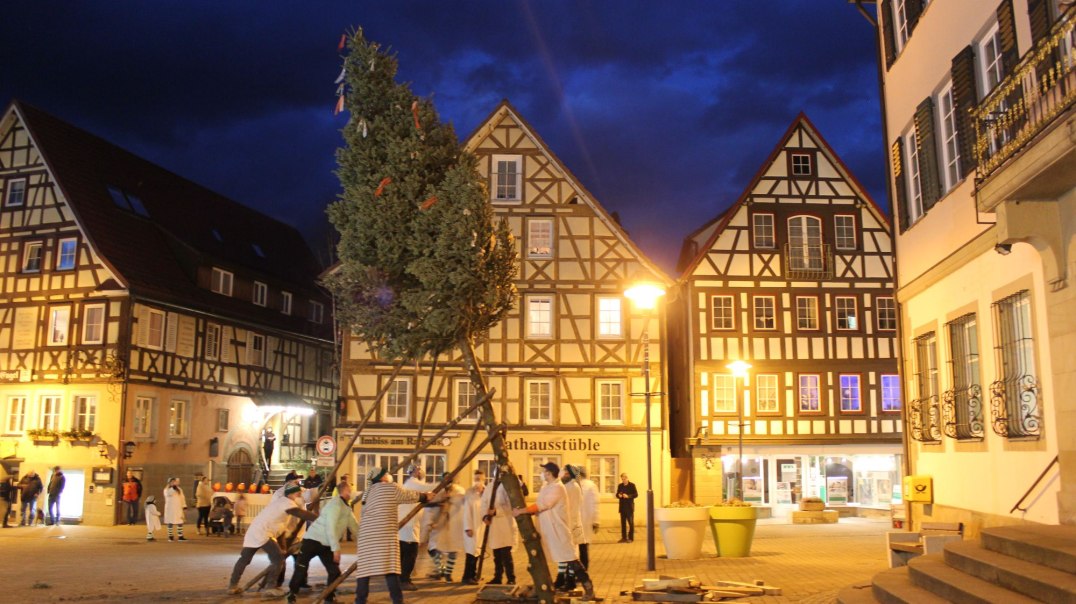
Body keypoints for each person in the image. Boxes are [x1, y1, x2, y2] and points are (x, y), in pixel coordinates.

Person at [354, 466, 441, 604]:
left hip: (366, 536)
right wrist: (426, 496)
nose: (389, 475)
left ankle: (360, 601)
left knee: (365, 571)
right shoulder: (390, 487)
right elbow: (408, 495)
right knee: (391, 568)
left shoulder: (368, 492)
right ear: (382, 477)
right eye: (386, 473)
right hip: (384, 534)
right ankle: (397, 600)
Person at [513, 462, 594, 600]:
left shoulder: (557, 487)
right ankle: (543, 587)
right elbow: (540, 505)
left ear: (549, 473)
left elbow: (543, 505)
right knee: (545, 559)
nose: (543, 474)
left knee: (570, 559)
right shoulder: (547, 487)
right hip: (548, 531)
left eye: (544, 471)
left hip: (558, 531)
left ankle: (589, 588)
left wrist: (522, 511)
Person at [228, 484, 317, 596]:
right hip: (263, 533)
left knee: (244, 559)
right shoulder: (286, 502)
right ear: (290, 494)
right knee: (278, 559)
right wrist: (318, 518)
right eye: (297, 493)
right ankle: (271, 587)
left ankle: (232, 585)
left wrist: (283, 547)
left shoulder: (280, 504)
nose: (299, 495)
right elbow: (300, 513)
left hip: (254, 532)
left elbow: (281, 531)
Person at [285, 480, 360, 604]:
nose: (351, 493)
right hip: (313, 541)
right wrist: (336, 549)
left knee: (334, 572)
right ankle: (291, 594)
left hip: (326, 544)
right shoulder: (335, 504)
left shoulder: (346, 507)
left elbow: (354, 527)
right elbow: (330, 527)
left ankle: (329, 597)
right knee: (301, 569)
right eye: (350, 490)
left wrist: (365, 541)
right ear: (345, 490)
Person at [397, 464, 431, 590]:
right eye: (419, 470)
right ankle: (404, 580)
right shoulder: (413, 483)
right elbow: (428, 488)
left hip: (406, 527)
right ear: (414, 472)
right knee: (410, 555)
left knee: (404, 555)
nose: (421, 472)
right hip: (407, 527)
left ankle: (401, 579)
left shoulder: (409, 485)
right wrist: (443, 483)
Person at [482, 473, 518, 585]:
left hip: (504, 524)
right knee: (496, 554)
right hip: (494, 525)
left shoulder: (507, 486)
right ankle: (497, 577)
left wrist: (497, 512)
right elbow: (484, 503)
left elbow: (511, 505)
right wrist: (484, 516)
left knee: (506, 554)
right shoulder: (489, 486)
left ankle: (511, 578)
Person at [429, 475, 464, 582]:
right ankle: (441, 571)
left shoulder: (459, 491)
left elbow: (462, 501)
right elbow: (432, 504)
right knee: (434, 548)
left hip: (454, 523)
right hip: (440, 523)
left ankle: (448, 573)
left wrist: (451, 499)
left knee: (453, 549)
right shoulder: (439, 491)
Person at [559, 465, 585, 590]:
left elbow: (570, 508)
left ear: (569, 474)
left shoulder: (572, 488)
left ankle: (570, 580)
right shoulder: (569, 486)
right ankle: (562, 579)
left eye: (564, 473)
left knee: (571, 554)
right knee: (565, 553)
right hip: (568, 524)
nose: (562, 476)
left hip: (571, 525)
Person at [460, 470, 486, 585]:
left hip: (482, 527)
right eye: (476, 479)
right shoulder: (469, 493)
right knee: (471, 551)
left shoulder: (487, 492)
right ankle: (467, 576)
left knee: (478, 551)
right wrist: (468, 527)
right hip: (472, 527)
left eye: (480, 479)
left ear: (484, 479)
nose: (478, 481)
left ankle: (474, 574)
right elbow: (466, 512)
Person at [577, 467, 600, 569]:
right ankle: (580, 569)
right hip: (579, 520)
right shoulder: (576, 485)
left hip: (584, 519)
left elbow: (594, 504)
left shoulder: (590, 486)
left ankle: (583, 569)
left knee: (582, 546)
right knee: (580, 547)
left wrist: (596, 521)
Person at [162, 477, 188, 541]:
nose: (174, 483)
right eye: (172, 482)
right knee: (170, 522)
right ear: (169, 483)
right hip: (170, 509)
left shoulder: (179, 489)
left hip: (178, 508)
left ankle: (180, 536)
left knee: (180, 521)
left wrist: (184, 505)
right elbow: (168, 494)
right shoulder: (166, 489)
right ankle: (170, 536)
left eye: (174, 482)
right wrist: (173, 488)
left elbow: (182, 498)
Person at [616, 473, 638, 543]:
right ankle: (624, 538)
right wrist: (618, 495)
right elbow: (617, 494)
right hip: (622, 507)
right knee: (623, 523)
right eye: (622, 479)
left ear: (627, 478)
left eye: (624, 479)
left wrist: (628, 496)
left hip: (629, 507)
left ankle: (630, 538)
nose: (623, 480)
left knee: (631, 523)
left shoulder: (632, 485)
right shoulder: (620, 486)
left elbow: (636, 494)